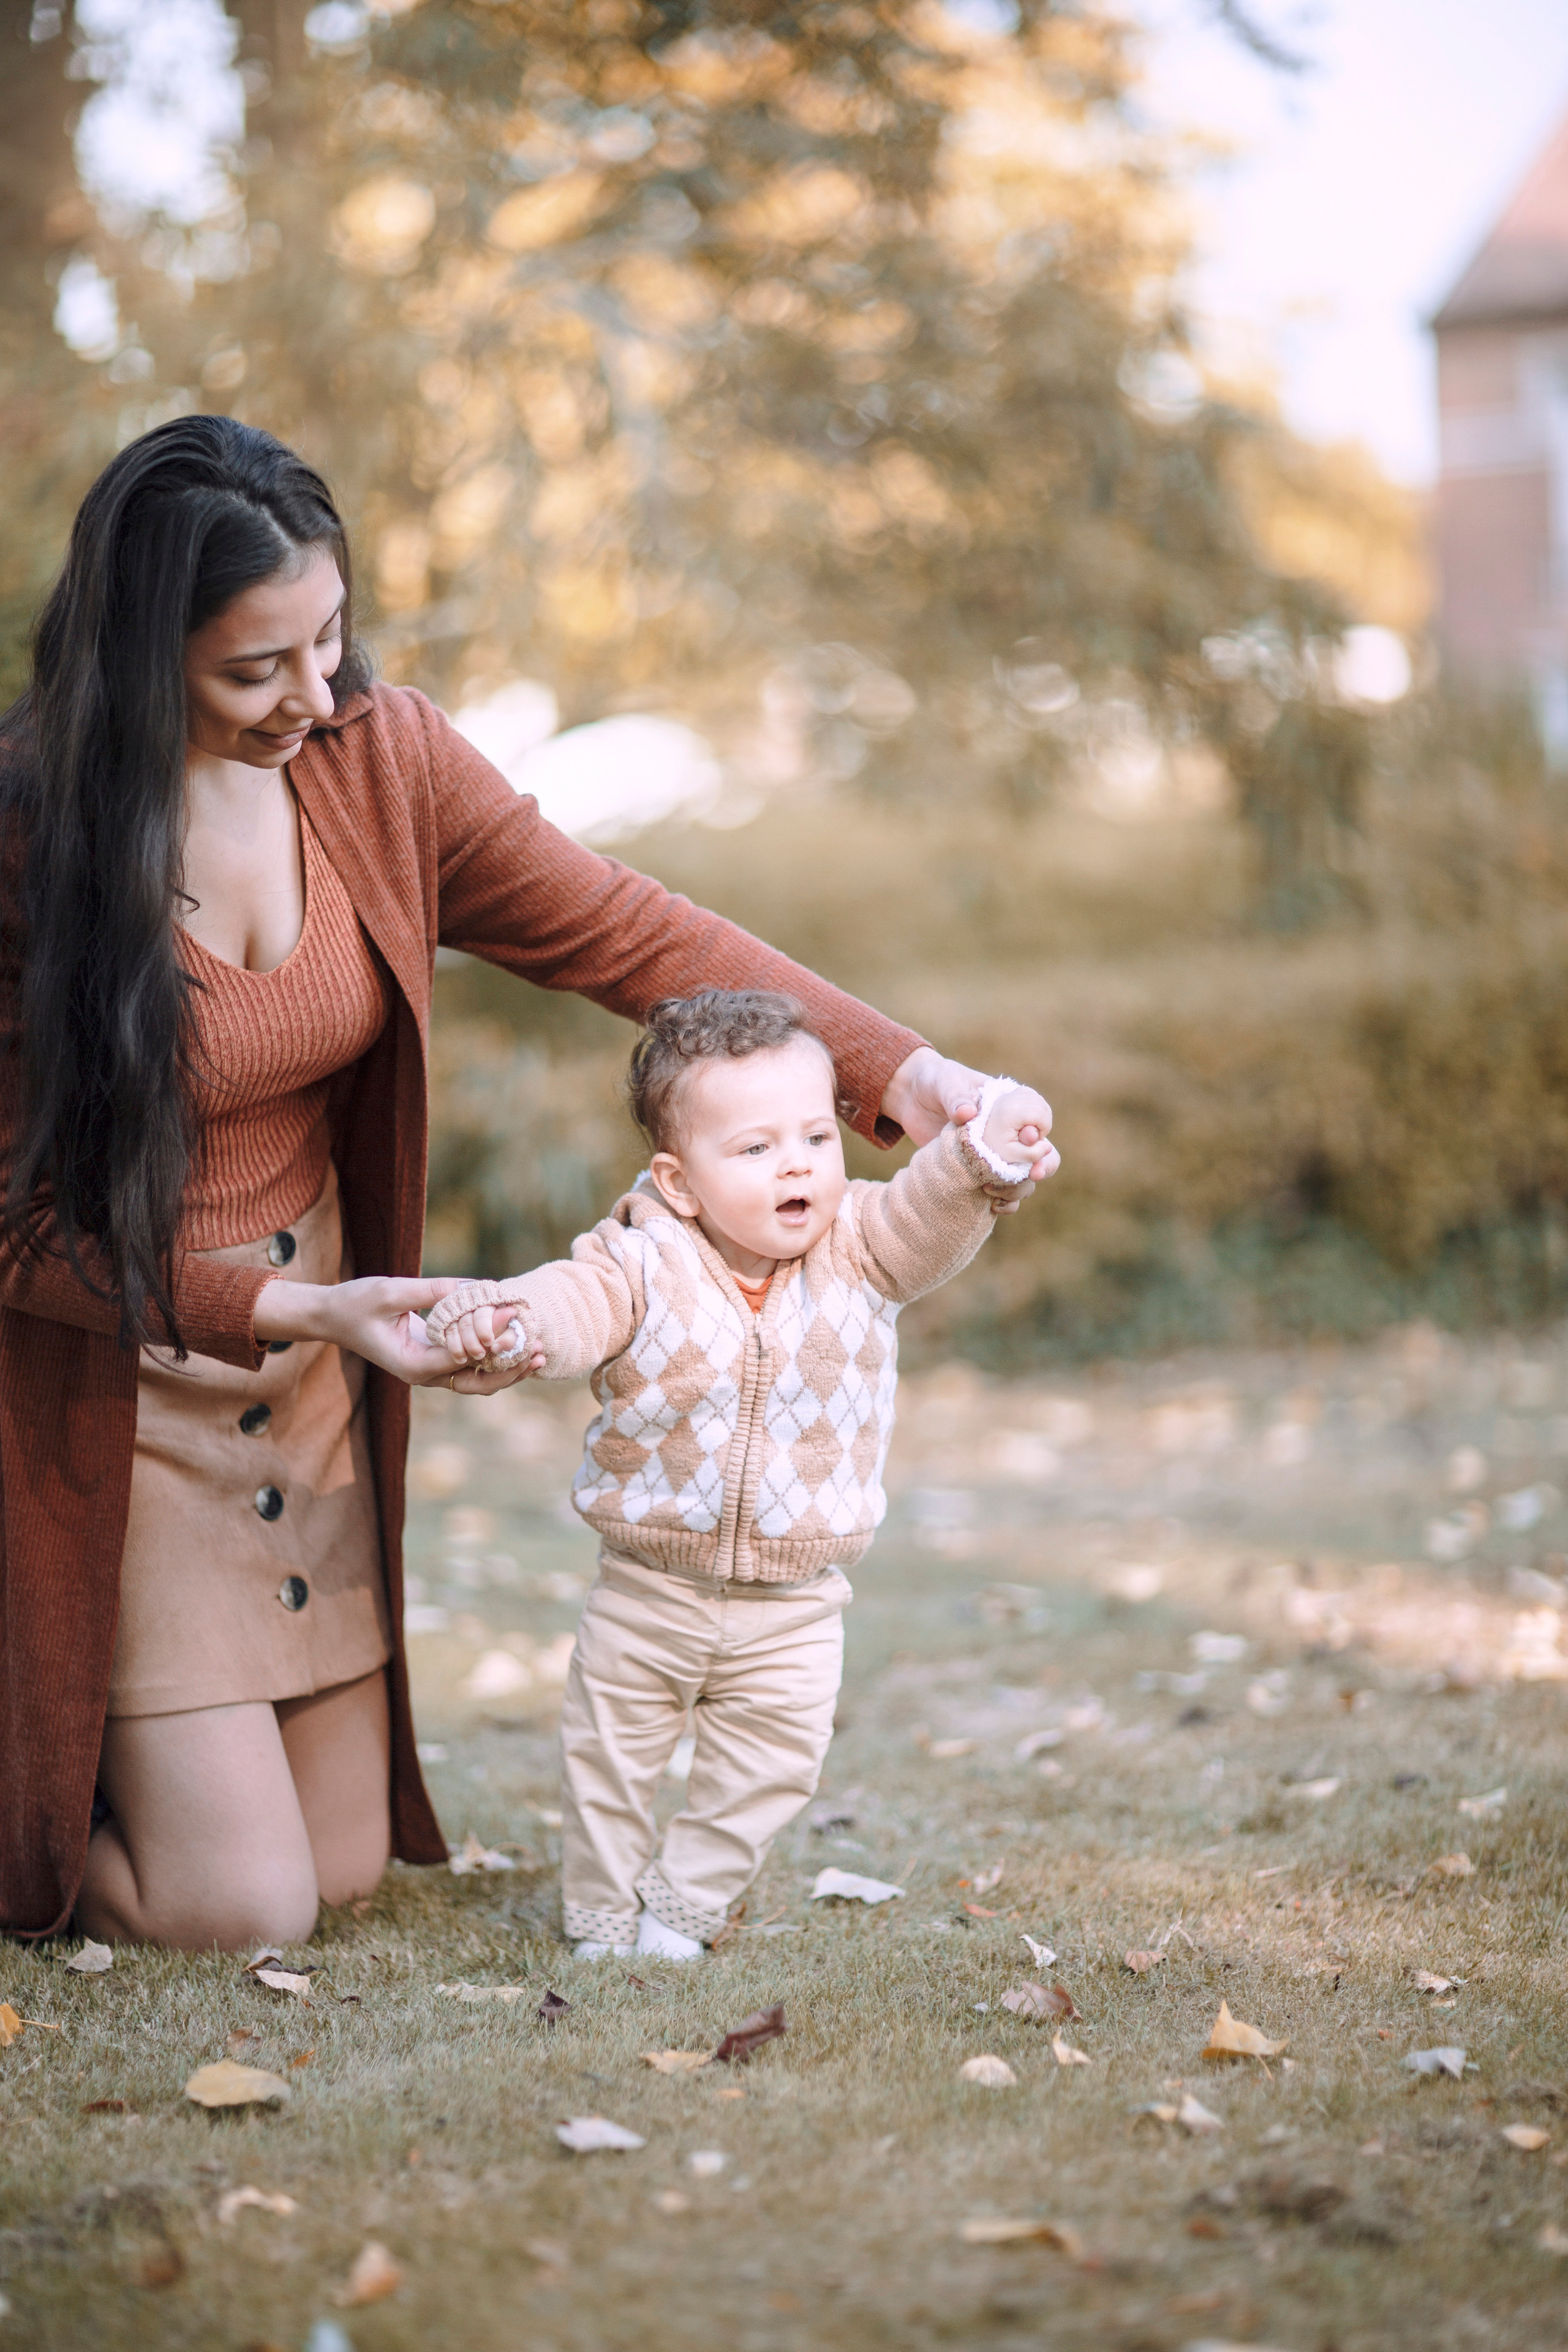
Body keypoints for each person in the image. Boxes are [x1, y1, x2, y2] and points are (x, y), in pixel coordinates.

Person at [0, 416, 1055, 1951]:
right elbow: (16, 1226)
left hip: (318, 1364)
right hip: (131, 1366)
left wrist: (900, 1073)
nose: (314, 697)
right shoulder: (30, 830)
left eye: (331, 640)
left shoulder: (381, 760)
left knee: (344, 1868)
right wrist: (298, 1305)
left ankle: (136, 1747)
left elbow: (623, 929)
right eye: (254, 671)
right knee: (240, 1909)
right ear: (138, 651)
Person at [426, 989, 1058, 1959]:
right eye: (756, 1148)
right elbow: (573, 1301)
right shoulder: (641, 1260)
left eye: (815, 1135)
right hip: (649, 1588)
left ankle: (680, 1911)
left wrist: (985, 1153)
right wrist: (511, 1320)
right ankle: (600, 1921)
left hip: (797, 1603)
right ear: (680, 1183)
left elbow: (930, 1210)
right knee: (610, 1764)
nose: (799, 1161)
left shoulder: (861, 1247)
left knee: (772, 1766)